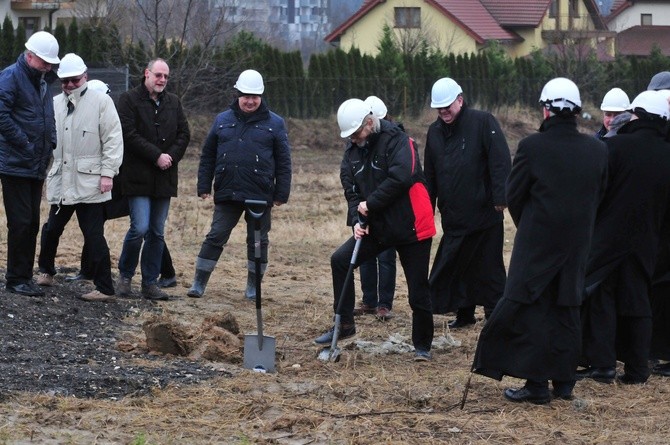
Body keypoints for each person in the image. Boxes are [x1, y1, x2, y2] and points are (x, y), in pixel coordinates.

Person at [472, 77, 608, 404]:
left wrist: (532, 227)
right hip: (577, 245)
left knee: (534, 311)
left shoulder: (533, 147)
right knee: (568, 309)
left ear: (546, 110)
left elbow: (514, 196)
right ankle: (564, 383)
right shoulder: (597, 149)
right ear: (575, 111)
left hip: (538, 243)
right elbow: (598, 196)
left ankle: (536, 385)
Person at [314, 98, 436, 362]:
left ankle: (423, 344)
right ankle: (344, 325)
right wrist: (357, 221)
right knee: (340, 260)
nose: (354, 139)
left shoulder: (400, 141)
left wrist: (371, 204)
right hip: (378, 227)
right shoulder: (352, 153)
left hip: (411, 224)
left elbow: (402, 177)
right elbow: (352, 191)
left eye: (357, 133)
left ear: (370, 122)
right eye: (350, 136)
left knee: (418, 288)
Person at [578, 90, 670, 385]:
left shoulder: (614, 147)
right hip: (648, 240)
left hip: (608, 236)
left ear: (636, 114)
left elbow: (596, 191)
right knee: (639, 301)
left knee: (602, 298)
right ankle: (637, 370)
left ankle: (603, 366)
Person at [187, 69, 292, 299]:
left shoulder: (275, 123)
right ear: (237, 95)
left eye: (254, 96)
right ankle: (198, 282)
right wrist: (204, 185)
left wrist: (281, 193)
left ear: (261, 96)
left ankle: (254, 287)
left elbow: (284, 161)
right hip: (228, 191)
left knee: (257, 242)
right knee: (215, 236)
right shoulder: (222, 120)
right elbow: (208, 155)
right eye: (246, 95)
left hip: (260, 193)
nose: (250, 100)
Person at [64, 79, 178, 289]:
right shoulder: (87, 118)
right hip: (111, 181)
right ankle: (88, 270)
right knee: (101, 225)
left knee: (146, 228)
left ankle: (166, 272)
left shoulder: (114, 117)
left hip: (125, 183)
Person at [34, 54, 123, 302]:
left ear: (85, 76)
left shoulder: (101, 102)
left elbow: (114, 140)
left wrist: (108, 174)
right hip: (62, 181)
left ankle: (105, 288)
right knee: (51, 229)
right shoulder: (54, 103)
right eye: (64, 81)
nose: (70, 85)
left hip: (90, 182)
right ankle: (46, 271)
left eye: (74, 80)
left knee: (94, 235)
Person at [423, 77, 511, 328]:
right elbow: (429, 174)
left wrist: (500, 197)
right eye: (439, 108)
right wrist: (426, 208)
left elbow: (499, 160)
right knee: (458, 268)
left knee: (489, 268)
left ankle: (495, 316)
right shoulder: (434, 132)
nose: (443, 112)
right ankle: (464, 315)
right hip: (454, 217)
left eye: (447, 107)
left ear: (460, 100)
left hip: (484, 214)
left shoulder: (483, 122)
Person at [116, 58, 190, 301]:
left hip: (164, 178)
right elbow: (128, 134)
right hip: (137, 177)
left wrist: (170, 157)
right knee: (140, 228)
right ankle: (125, 276)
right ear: (147, 74)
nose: (162, 80)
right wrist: (157, 155)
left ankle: (150, 283)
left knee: (157, 232)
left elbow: (184, 133)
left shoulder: (173, 102)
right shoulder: (128, 100)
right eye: (158, 75)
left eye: (166, 77)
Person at [0, 31, 60, 297]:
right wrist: (25, 143)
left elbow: (47, 115)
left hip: (36, 164)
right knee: (21, 222)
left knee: (32, 222)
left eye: (50, 63)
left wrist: (52, 139)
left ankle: (23, 276)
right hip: (15, 163)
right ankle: (15, 279)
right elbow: (1, 115)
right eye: (45, 62)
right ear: (29, 55)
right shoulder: (12, 76)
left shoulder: (41, 81)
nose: (49, 66)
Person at [349, 95, 397, 321]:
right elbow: (350, 179)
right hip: (365, 208)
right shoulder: (356, 147)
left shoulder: (395, 141)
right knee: (366, 255)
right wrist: (357, 214)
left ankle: (384, 304)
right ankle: (369, 300)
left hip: (386, 210)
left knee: (386, 256)